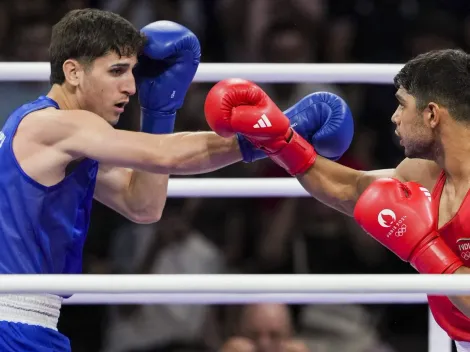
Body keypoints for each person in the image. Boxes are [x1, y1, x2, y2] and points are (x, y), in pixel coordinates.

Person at [0, 8, 354, 351]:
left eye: (132, 72)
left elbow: (143, 205)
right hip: (14, 322)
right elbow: (167, 155)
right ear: (73, 72)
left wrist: (159, 113)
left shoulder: (66, 142)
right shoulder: (55, 124)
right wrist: (275, 131)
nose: (130, 87)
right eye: (117, 71)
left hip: (30, 321)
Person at [204, 48, 470, 351]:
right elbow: (350, 189)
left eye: (401, 105)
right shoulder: (424, 172)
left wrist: (425, 249)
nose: (394, 117)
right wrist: (281, 142)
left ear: (432, 114)